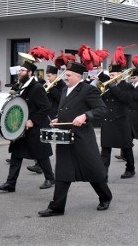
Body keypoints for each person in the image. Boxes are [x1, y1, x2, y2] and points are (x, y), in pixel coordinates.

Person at [38, 62, 112, 217]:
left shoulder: (88, 90)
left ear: (78, 77)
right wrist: (58, 119)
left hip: (82, 138)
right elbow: (67, 110)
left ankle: (105, 197)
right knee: (62, 172)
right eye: (66, 74)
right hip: (65, 138)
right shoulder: (65, 89)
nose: (65, 77)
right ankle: (57, 207)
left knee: (92, 170)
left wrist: (86, 116)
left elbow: (102, 109)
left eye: (68, 75)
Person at [0, 60, 55, 192]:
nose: (19, 72)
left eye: (22, 70)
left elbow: (46, 108)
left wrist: (33, 120)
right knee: (16, 154)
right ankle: (10, 183)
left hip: (35, 126)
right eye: (19, 70)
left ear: (30, 72)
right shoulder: (22, 85)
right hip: (22, 127)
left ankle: (50, 178)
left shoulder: (37, 87)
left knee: (41, 154)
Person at [99, 64, 135, 179]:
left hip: (121, 120)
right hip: (108, 120)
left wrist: (114, 87)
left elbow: (125, 99)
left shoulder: (128, 86)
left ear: (120, 74)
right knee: (105, 148)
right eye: (110, 75)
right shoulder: (108, 86)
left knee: (126, 147)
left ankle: (130, 168)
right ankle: (103, 173)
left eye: (113, 75)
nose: (111, 77)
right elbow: (102, 98)